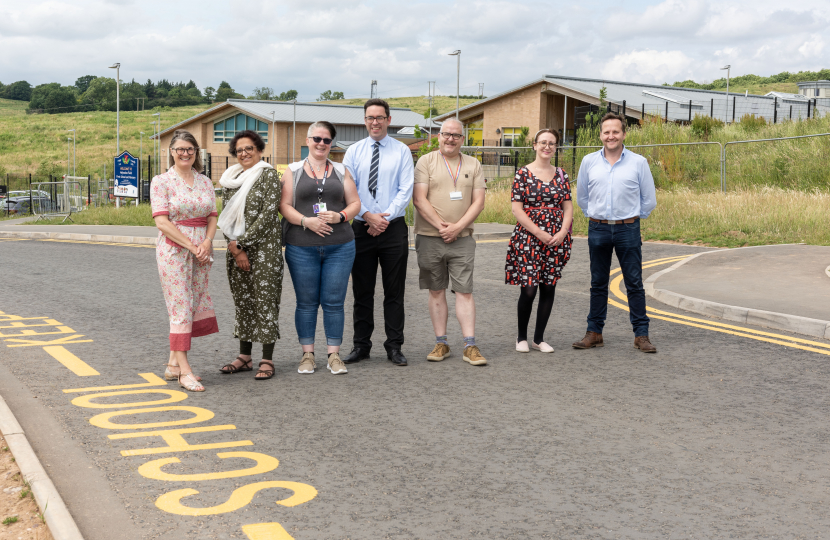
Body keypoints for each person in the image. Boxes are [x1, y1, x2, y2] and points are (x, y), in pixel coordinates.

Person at [280, 121, 361, 375]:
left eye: (327, 140)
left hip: (340, 246)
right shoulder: (292, 171)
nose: (321, 144)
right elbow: (284, 206)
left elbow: (355, 202)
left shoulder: (340, 170)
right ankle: (307, 355)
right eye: (317, 139)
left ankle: (334, 355)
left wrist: (342, 216)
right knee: (306, 303)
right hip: (301, 247)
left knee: (334, 302)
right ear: (307, 141)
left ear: (332, 144)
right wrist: (306, 221)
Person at [573, 112, 657, 353]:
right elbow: (582, 197)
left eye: (616, 131)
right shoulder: (589, 161)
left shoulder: (638, 162)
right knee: (597, 283)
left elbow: (648, 199)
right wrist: (594, 214)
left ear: (623, 134)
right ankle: (594, 332)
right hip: (597, 227)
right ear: (601, 135)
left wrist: (632, 219)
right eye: (606, 132)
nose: (611, 136)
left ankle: (641, 335)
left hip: (627, 229)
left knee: (634, 283)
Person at [341, 99, 414, 367]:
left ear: (389, 120)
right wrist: (368, 216)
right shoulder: (354, 152)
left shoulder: (402, 151)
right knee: (362, 292)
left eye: (380, 117)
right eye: (370, 117)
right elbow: (350, 189)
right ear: (364, 120)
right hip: (361, 227)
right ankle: (361, 346)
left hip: (393, 228)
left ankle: (394, 346)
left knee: (394, 292)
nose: (375, 122)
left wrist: (384, 218)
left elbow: (406, 189)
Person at [412, 117, 487, 366]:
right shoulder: (426, 161)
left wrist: (457, 227)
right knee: (436, 290)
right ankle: (441, 342)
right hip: (430, 237)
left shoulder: (473, 164)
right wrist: (442, 227)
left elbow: (478, 201)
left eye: (456, 135)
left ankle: (470, 345)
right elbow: (419, 199)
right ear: (439, 136)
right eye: (446, 134)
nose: (450, 139)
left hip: (462, 238)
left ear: (462, 139)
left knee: (464, 290)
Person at [151, 129, 218, 392]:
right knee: (179, 304)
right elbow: (162, 221)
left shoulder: (205, 182)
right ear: (171, 152)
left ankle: (171, 364)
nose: (185, 153)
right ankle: (184, 372)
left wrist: (206, 242)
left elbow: (212, 216)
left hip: (201, 249)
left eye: (190, 149)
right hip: (174, 250)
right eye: (180, 149)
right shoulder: (162, 181)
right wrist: (191, 245)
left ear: (196, 153)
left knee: (192, 302)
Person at [218, 130, 283, 380]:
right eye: (239, 150)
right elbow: (226, 217)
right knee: (244, 302)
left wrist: (241, 245)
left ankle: (267, 358)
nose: (244, 153)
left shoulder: (268, 175)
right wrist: (236, 250)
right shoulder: (230, 179)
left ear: (259, 150)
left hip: (264, 251)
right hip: (236, 251)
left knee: (265, 302)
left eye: (249, 148)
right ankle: (245, 356)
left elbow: (268, 215)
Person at [506, 128, 573, 353]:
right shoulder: (523, 173)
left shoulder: (562, 174)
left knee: (548, 286)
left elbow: (568, 206)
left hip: (556, 238)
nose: (547, 146)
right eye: (543, 142)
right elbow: (517, 209)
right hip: (529, 237)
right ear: (534, 145)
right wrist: (539, 232)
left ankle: (539, 338)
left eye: (551, 143)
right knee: (529, 289)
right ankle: (521, 337)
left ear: (555, 147)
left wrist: (563, 231)